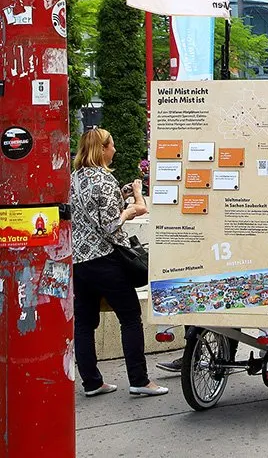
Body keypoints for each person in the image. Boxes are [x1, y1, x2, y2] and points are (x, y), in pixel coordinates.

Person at [70, 128, 168, 398]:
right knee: (130, 317)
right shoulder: (104, 180)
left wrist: (121, 195)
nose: (114, 150)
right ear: (102, 149)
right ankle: (139, 380)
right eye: (111, 145)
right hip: (106, 260)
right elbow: (111, 225)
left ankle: (92, 382)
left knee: (84, 322)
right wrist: (132, 208)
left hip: (80, 261)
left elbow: (89, 213)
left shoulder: (74, 178)